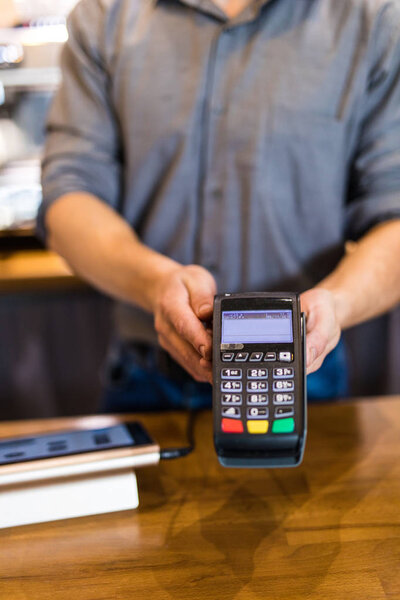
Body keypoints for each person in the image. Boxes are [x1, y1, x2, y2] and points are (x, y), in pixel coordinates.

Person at [37, 0, 400, 411]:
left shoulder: (373, 18)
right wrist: (155, 283)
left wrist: (338, 301)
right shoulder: (104, 14)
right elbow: (68, 194)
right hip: (145, 377)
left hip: (300, 379)